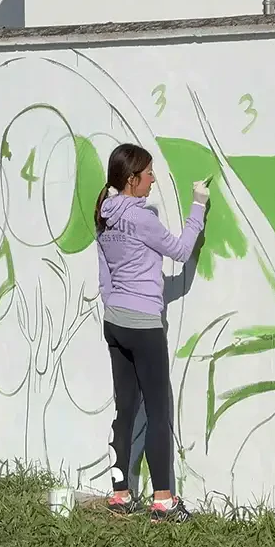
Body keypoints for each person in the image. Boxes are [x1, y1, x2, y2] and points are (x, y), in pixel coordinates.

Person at [95, 143, 209, 523]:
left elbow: (105, 280)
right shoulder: (141, 220)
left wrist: (117, 309)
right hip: (143, 325)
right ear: (131, 180)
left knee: (125, 409)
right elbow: (179, 251)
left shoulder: (105, 217)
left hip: (115, 323)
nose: (154, 179)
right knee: (158, 410)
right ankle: (163, 500)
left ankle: (120, 495)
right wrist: (198, 206)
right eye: (148, 174)